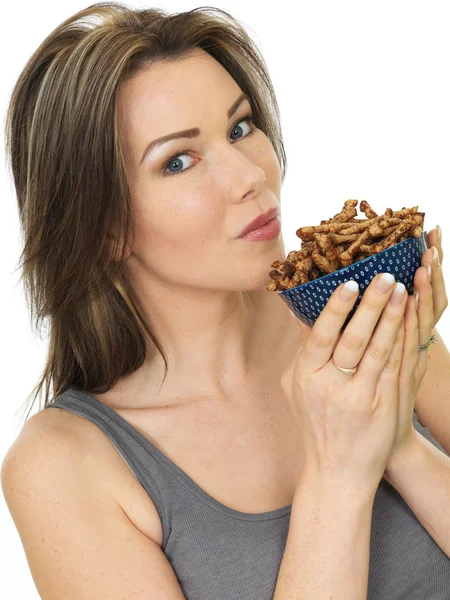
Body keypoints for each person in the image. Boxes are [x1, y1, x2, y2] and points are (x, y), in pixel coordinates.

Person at [1, 4, 449, 599]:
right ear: (103, 226)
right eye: (178, 161)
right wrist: (339, 472)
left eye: (240, 128)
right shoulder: (63, 467)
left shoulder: (354, 315)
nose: (248, 175)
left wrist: (397, 443)